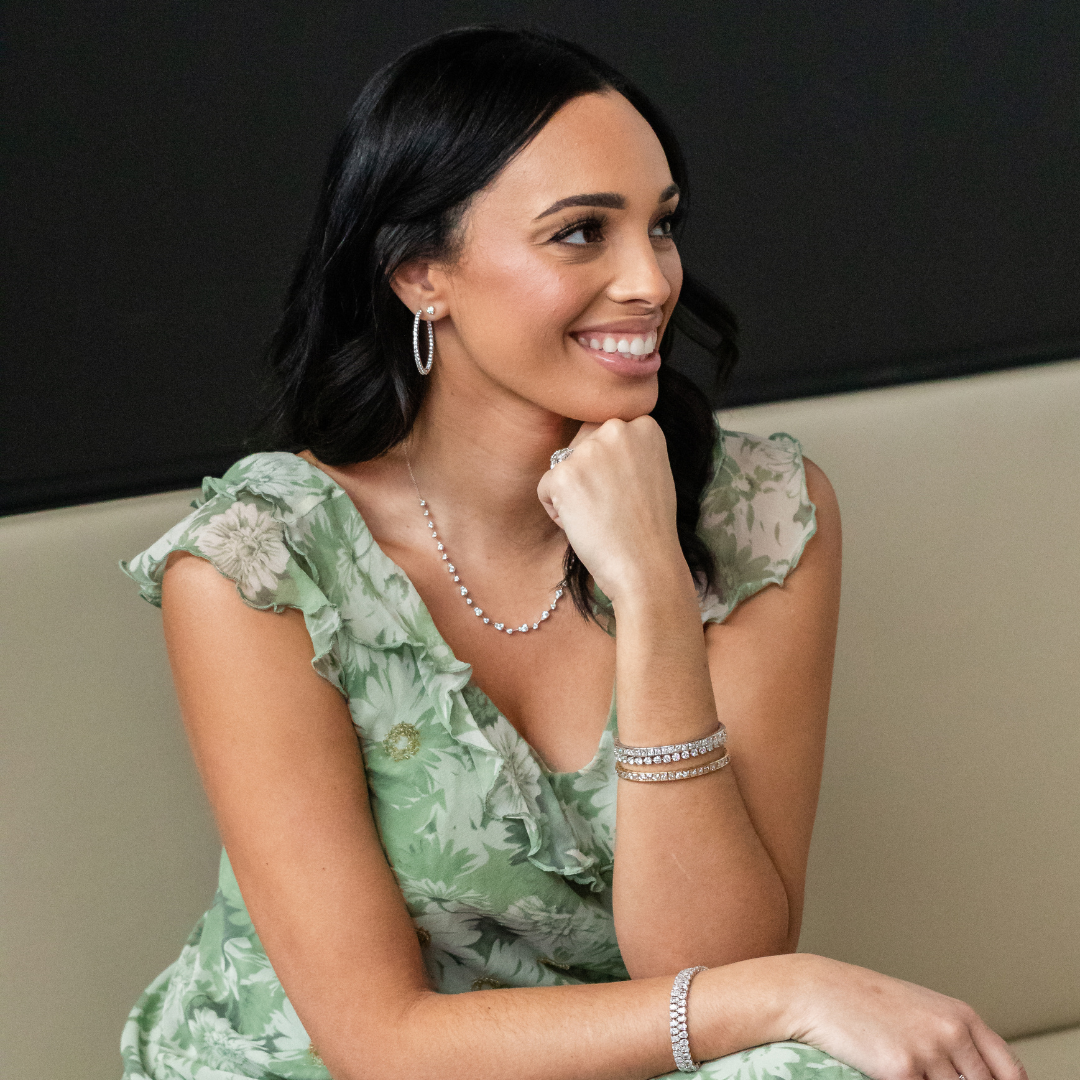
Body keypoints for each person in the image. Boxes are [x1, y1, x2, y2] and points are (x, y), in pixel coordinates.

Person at [120, 27, 1024, 1080]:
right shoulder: (261, 567)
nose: (650, 280)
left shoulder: (760, 516)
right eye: (582, 233)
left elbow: (713, 961)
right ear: (420, 273)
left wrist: (652, 588)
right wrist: (796, 991)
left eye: (662, 225)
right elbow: (382, 1042)